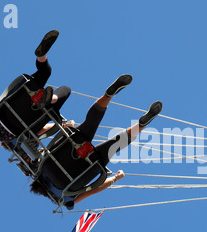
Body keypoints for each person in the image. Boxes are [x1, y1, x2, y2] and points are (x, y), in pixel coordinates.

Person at [30, 76, 163, 208]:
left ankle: (141, 125)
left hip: (91, 165)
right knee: (89, 124)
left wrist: (115, 178)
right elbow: (49, 150)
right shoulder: (41, 173)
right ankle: (107, 96)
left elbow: (93, 190)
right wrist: (67, 129)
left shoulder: (64, 199)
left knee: (115, 145)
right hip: (70, 149)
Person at [0, 30, 72, 150]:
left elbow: (41, 130)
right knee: (45, 72)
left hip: (29, 119)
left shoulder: (19, 142)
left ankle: (51, 99)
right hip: (19, 100)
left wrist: (63, 126)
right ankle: (41, 56)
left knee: (65, 90)